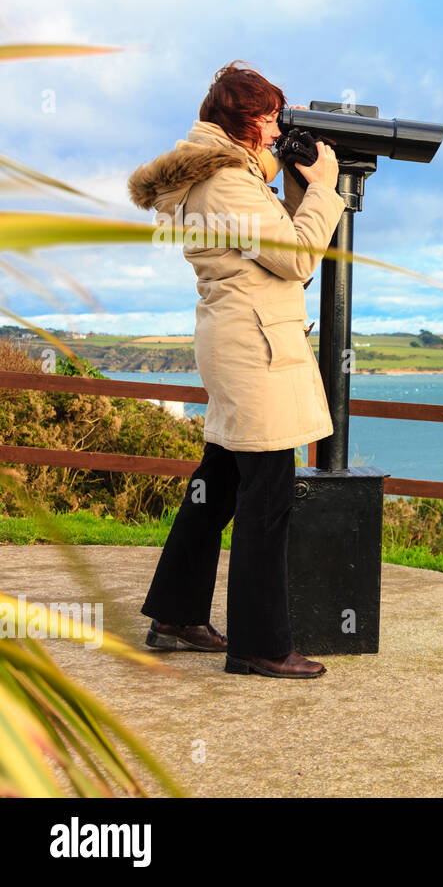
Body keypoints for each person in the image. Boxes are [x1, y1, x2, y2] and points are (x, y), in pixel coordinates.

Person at [127, 61, 344, 678]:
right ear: (241, 120)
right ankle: (260, 646)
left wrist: (295, 177)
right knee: (266, 499)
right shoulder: (225, 185)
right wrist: (326, 186)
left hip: (243, 341)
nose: (278, 129)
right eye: (269, 118)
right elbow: (296, 258)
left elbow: (274, 232)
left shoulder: (225, 176)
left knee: (216, 486)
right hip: (255, 351)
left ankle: (175, 614)